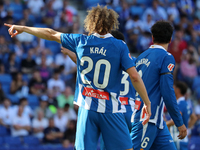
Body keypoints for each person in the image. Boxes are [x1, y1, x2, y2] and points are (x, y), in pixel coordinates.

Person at [5, 5, 151, 150]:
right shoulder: (119, 46)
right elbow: (134, 76)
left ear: (90, 22)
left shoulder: (80, 41)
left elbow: (50, 33)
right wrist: (147, 103)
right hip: (111, 109)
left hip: (87, 109)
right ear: (111, 23)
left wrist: (24, 28)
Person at [131, 20, 187, 150]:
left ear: (152, 37)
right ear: (170, 39)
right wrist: (179, 122)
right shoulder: (166, 57)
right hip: (147, 119)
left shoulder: (141, 57)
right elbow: (167, 92)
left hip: (156, 120)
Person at [166, 81, 197, 150]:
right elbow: (194, 118)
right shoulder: (185, 103)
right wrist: (187, 128)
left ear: (178, 90)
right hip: (183, 139)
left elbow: (176, 120)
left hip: (177, 138)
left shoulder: (180, 104)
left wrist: (164, 124)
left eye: (173, 87)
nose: (172, 89)